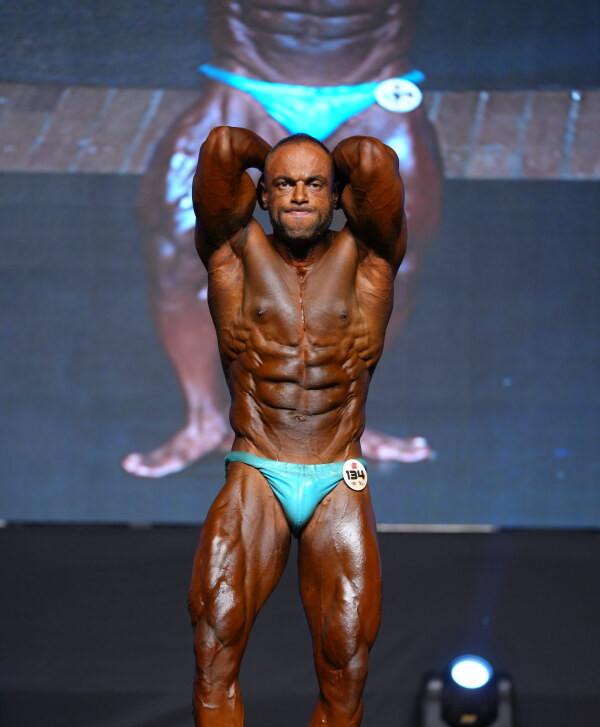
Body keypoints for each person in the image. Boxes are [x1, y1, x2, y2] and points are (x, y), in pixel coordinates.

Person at [179, 125, 407, 727]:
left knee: (347, 664)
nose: (300, 195)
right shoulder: (232, 250)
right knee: (215, 643)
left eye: (314, 184)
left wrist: (315, 161)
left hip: (337, 471)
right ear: (262, 194)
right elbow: (220, 149)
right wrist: (274, 155)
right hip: (258, 463)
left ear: (337, 196)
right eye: (284, 183)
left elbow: (373, 161)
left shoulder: (371, 257)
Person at [121, 0, 442, 479]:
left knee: (393, 256)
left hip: (372, 90)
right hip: (247, 86)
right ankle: (204, 421)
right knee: (178, 249)